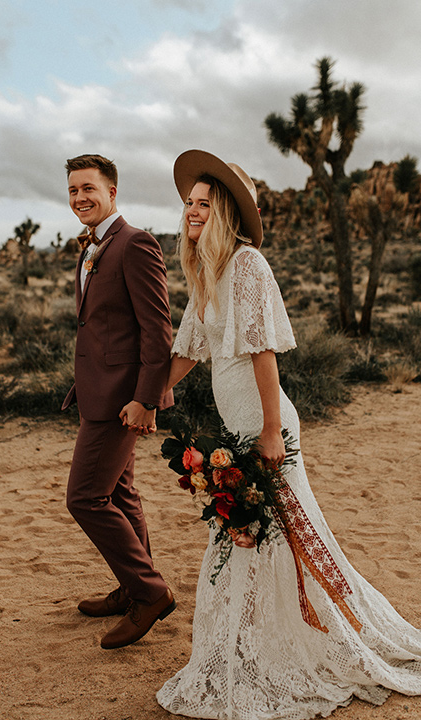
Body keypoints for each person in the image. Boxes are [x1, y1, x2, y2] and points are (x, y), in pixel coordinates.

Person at [157, 149, 421, 718]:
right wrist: (152, 390)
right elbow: (189, 349)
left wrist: (272, 430)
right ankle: (251, 648)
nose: (191, 212)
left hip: (265, 424)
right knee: (250, 538)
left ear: (224, 210)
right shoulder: (206, 269)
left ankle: (309, 645)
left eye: (203, 204)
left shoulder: (249, 264)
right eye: (187, 204)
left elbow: (263, 353)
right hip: (235, 426)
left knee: (284, 537)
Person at [62, 153, 176, 650]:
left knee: (85, 497)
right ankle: (134, 587)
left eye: (89, 188)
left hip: (120, 400)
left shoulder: (135, 244)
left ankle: (151, 594)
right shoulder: (91, 247)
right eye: (72, 191)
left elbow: (157, 330)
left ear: (112, 192)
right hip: (97, 391)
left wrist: (145, 400)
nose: (80, 198)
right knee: (121, 493)